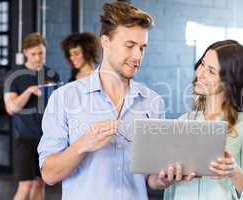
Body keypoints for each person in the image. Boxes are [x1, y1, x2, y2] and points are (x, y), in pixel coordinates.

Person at [37, 2, 164, 200]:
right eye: (130, 46)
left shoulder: (152, 102)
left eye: (142, 47)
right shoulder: (64, 98)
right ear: (105, 42)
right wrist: (82, 145)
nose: (137, 56)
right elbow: (49, 174)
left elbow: (150, 179)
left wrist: (164, 178)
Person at [147, 40, 243, 200]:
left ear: (229, 81)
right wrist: (166, 177)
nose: (200, 73)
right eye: (202, 64)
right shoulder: (183, 122)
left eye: (211, 71)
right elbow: (162, 185)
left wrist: (234, 172)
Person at [4, 32, 59, 200]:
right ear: (26, 52)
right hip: (25, 139)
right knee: (25, 185)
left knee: (39, 183)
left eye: (41, 53)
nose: (37, 58)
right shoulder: (14, 75)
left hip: (46, 139)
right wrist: (29, 91)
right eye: (33, 54)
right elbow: (11, 108)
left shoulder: (52, 74)